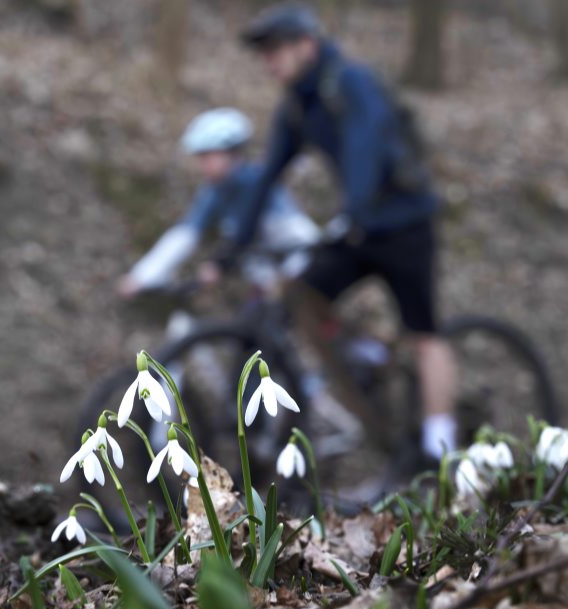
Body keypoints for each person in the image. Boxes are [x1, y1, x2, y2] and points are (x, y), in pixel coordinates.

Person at [233, 2, 460, 461]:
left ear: (308, 45)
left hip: (403, 223)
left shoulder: (349, 81)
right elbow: (266, 175)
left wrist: (354, 209)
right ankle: (365, 355)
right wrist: (232, 245)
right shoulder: (297, 106)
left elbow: (366, 142)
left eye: (277, 49)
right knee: (300, 294)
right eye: (264, 52)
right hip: (358, 229)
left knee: (424, 333)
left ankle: (442, 443)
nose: (269, 60)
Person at [118, 107, 318, 298]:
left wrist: (221, 263)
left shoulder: (255, 180)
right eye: (201, 157)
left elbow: (291, 232)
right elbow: (185, 234)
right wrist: (141, 277)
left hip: (301, 263)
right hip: (265, 274)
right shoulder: (213, 193)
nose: (203, 165)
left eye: (208, 156)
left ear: (231, 153)